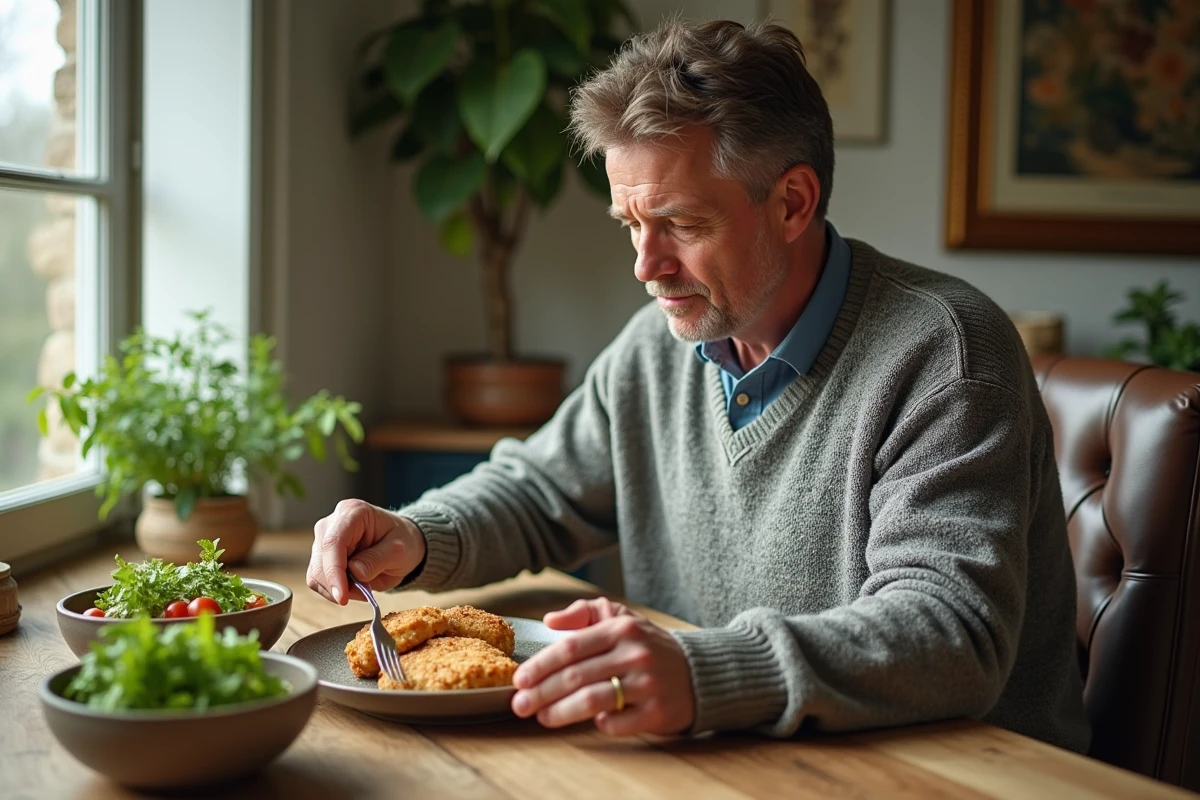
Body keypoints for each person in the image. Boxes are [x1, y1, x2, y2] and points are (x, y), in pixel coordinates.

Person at [308, 19, 1090, 751]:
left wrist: (703, 672)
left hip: (957, 774)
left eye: (679, 225)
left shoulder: (944, 352)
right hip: (739, 757)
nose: (645, 267)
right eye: (630, 226)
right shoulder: (664, 339)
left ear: (791, 202)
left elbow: (951, 634)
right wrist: (415, 536)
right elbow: (539, 489)